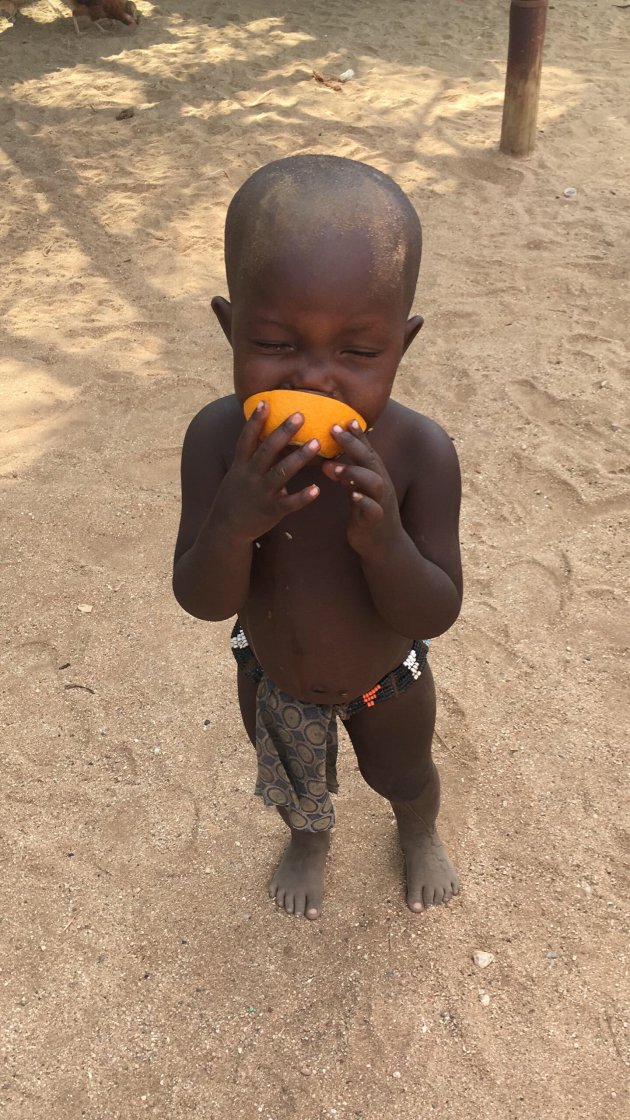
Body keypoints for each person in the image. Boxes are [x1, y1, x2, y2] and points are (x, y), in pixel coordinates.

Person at [173, 155, 463, 921]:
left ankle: (419, 829)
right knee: (295, 784)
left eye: (359, 353)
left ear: (402, 345)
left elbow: (435, 611)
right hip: (273, 674)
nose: (316, 379)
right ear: (231, 329)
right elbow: (201, 599)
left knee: (402, 774)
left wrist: (386, 544)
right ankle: (308, 838)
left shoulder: (419, 454)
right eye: (275, 344)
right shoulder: (216, 441)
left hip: (385, 679)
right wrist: (234, 522)